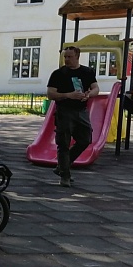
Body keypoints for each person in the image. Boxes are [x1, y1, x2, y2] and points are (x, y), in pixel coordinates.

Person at [47, 46, 99, 187]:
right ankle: (65, 175)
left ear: (77, 57)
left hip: (81, 111)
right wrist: (68, 95)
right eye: (65, 57)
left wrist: (89, 94)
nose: (67, 59)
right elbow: (50, 94)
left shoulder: (87, 72)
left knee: (85, 139)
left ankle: (62, 165)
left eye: (69, 57)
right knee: (63, 143)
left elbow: (95, 88)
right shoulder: (58, 74)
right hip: (64, 111)